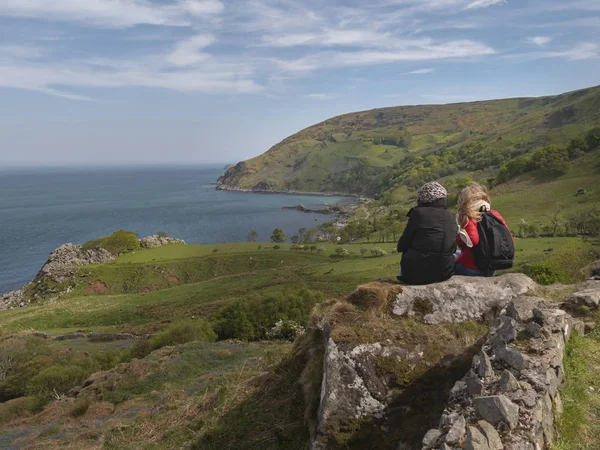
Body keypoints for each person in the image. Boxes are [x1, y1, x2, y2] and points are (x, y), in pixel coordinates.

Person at [396, 181, 457, 285]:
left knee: (406, 252)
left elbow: (401, 246)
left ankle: (404, 279)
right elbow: (453, 248)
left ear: (422, 197)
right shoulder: (450, 215)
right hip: (445, 273)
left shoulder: (418, 213)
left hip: (417, 275)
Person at [455, 183, 511, 276]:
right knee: (457, 253)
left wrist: (459, 238)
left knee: (452, 259)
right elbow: (508, 238)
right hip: (492, 267)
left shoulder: (469, 216)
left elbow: (473, 241)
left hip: (472, 267)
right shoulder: (494, 214)